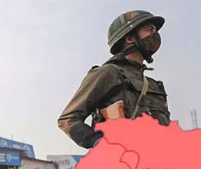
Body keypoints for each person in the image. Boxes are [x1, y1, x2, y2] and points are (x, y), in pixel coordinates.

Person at [58, 10, 170, 149]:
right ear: (130, 38)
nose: (155, 34)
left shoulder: (153, 85)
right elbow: (68, 119)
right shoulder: (108, 73)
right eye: (149, 30)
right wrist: (99, 142)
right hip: (123, 160)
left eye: (155, 30)